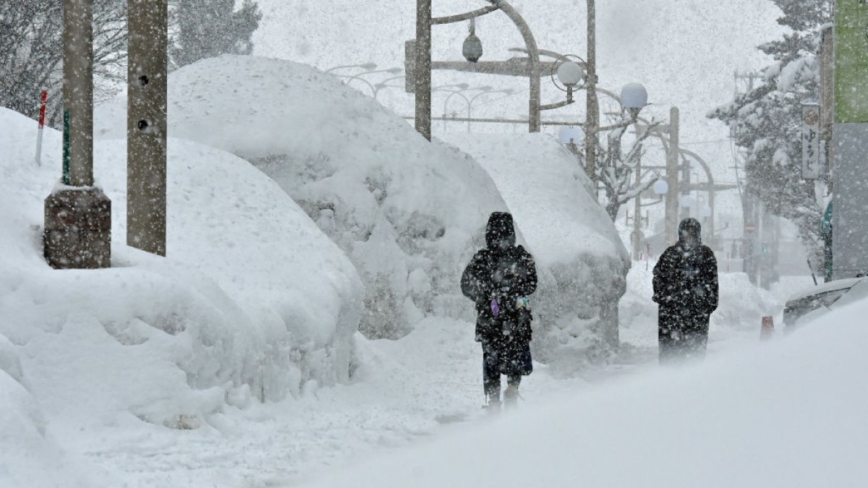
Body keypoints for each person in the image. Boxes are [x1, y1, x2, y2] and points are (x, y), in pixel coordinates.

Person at [461, 212, 537, 410]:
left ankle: (493, 400)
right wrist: (514, 289)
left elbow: (466, 285)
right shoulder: (521, 256)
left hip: (490, 319)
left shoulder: (482, 258)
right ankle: (512, 387)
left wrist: (485, 294)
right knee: (516, 354)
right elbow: (531, 284)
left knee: (491, 358)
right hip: (516, 317)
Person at [652, 218, 719, 363]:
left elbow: (713, 284)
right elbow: (658, 278)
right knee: (670, 357)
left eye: (691, 233)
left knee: (694, 358)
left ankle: (692, 383)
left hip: (696, 317)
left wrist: (705, 305)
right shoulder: (670, 254)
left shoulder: (706, 255)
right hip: (671, 317)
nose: (688, 237)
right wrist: (665, 299)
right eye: (685, 233)